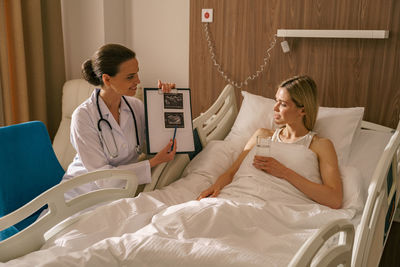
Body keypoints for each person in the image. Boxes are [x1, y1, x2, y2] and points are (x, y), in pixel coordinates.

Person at [197, 75, 343, 209]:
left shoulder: (320, 145)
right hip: (240, 198)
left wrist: (284, 172)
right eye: (276, 101)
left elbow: (334, 199)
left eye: (283, 104)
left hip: (281, 208)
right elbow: (232, 172)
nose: (274, 108)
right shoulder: (262, 135)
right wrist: (215, 187)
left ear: (302, 111)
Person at [62, 43, 177, 199]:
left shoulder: (135, 106)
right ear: (107, 79)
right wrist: (152, 163)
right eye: (130, 77)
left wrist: (164, 101)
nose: (138, 80)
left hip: (121, 192)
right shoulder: (83, 116)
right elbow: (102, 178)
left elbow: (155, 143)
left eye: (137, 73)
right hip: (81, 194)